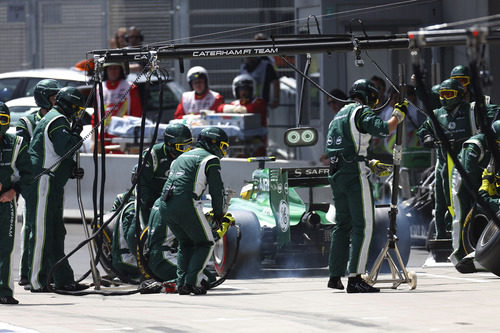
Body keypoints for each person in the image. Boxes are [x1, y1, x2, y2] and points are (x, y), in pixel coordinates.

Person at [325, 79, 406, 293]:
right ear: (368, 95)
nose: (374, 103)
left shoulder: (338, 115)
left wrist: (369, 162)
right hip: (354, 174)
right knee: (364, 225)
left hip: (336, 173)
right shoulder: (361, 111)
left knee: (342, 225)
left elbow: (344, 147)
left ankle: (335, 275)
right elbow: (383, 129)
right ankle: (355, 278)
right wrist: (398, 115)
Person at [417, 78, 497, 239]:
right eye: (442, 94)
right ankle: (442, 237)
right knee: (441, 203)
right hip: (444, 165)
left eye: (449, 94)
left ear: (459, 94)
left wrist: (483, 127)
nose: (445, 98)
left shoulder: (471, 110)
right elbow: (424, 129)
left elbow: (494, 112)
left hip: (468, 164)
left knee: (468, 200)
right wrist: (427, 138)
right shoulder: (436, 114)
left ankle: (470, 236)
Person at [28, 87, 88, 292]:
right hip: (44, 182)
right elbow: (65, 148)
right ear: (68, 105)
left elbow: (56, 154)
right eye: (76, 108)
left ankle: (63, 279)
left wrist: (71, 170)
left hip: (53, 183)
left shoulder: (58, 119)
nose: (77, 112)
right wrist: (76, 134)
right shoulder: (57, 121)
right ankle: (36, 280)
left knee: (56, 233)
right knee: (42, 233)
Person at [160, 127, 229, 295]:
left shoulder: (181, 157)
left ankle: (181, 282)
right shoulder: (211, 159)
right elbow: (216, 189)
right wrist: (219, 214)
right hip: (186, 203)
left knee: (186, 243)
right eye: (223, 146)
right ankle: (192, 282)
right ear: (214, 143)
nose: (223, 151)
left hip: (165, 205)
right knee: (206, 243)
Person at [16, 79, 61, 287]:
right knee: (31, 227)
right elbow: (22, 152)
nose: (56, 100)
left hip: (51, 181)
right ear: (43, 97)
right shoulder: (27, 122)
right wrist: (25, 181)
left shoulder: (59, 119)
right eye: (53, 96)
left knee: (51, 228)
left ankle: (48, 271)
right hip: (31, 180)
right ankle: (27, 272)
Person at [450, 122, 500, 272]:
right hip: (464, 177)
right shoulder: (474, 145)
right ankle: (459, 256)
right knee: (462, 210)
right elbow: (469, 177)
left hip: (484, 176)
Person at [0, 103, 32, 304]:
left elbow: (29, 173)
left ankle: (3, 291)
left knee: (5, 248)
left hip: (5, 203)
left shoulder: (17, 143)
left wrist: (13, 191)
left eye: (2, 120)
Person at [145, 198, 217, 288]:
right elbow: (197, 240)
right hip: (164, 258)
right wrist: (216, 234)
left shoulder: (160, 200)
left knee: (207, 276)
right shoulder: (182, 203)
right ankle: (163, 287)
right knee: (205, 279)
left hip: (155, 258)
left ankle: (171, 283)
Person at [136, 124, 193, 227]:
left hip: (171, 201)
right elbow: (141, 184)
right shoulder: (153, 154)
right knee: (140, 228)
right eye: (183, 147)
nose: (187, 150)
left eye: (189, 146)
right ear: (170, 144)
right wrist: (148, 203)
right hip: (149, 200)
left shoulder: (190, 157)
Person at [92, 62, 143, 152]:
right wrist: (94, 138)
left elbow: (137, 113)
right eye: (110, 68)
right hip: (104, 135)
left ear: (120, 70)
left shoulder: (130, 87)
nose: (113, 71)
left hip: (124, 135)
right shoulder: (98, 88)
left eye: (116, 68)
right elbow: (95, 115)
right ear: (106, 70)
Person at [240, 34, 280, 109]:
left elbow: (275, 81)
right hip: (247, 102)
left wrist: (276, 99)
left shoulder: (267, 63)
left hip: (262, 101)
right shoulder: (244, 66)